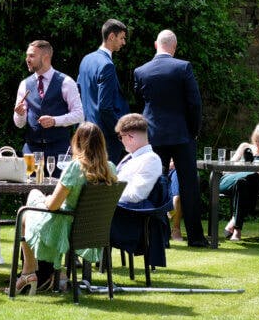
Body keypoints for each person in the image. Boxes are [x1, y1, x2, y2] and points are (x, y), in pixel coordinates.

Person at [14, 122, 118, 295]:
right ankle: (56, 274)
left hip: (64, 227)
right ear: (102, 143)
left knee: (23, 212)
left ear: (77, 142)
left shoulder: (76, 167)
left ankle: (29, 271)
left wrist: (45, 201)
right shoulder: (110, 168)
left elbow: (53, 206)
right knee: (34, 196)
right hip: (92, 229)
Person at [134, 29, 207, 247]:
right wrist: (193, 130)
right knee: (188, 185)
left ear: (156, 45)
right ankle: (195, 238)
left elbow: (142, 102)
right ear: (173, 47)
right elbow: (194, 103)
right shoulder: (183, 67)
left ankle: (158, 236)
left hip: (154, 134)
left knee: (156, 182)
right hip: (181, 134)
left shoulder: (141, 71)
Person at [13, 40, 83, 177]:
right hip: (31, 150)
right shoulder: (24, 84)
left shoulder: (66, 82)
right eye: (27, 56)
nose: (27, 59)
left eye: (32, 56)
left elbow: (79, 114)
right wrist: (20, 114)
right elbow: (19, 124)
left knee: (59, 194)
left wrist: (55, 121)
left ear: (45, 57)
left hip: (59, 151)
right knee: (30, 191)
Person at [110, 113, 168, 268]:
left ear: (130, 136)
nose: (121, 141)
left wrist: (107, 196)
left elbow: (136, 196)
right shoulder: (130, 158)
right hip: (119, 211)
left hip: (131, 219)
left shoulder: (150, 159)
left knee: (84, 215)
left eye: (121, 137)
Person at [77, 19, 130, 165]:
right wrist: (120, 131)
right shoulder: (107, 65)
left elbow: (79, 96)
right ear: (111, 36)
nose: (123, 42)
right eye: (122, 38)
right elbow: (105, 107)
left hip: (84, 133)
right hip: (104, 138)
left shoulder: (86, 60)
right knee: (103, 184)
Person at [221, 123, 259, 241]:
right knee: (248, 179)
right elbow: (226, 170)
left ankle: (237, 229)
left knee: (243, 183)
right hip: (229, 180)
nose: (257, 144)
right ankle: (235, 223)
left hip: (246, 186)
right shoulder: (245, 147)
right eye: (256, 140)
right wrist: (244, 165)